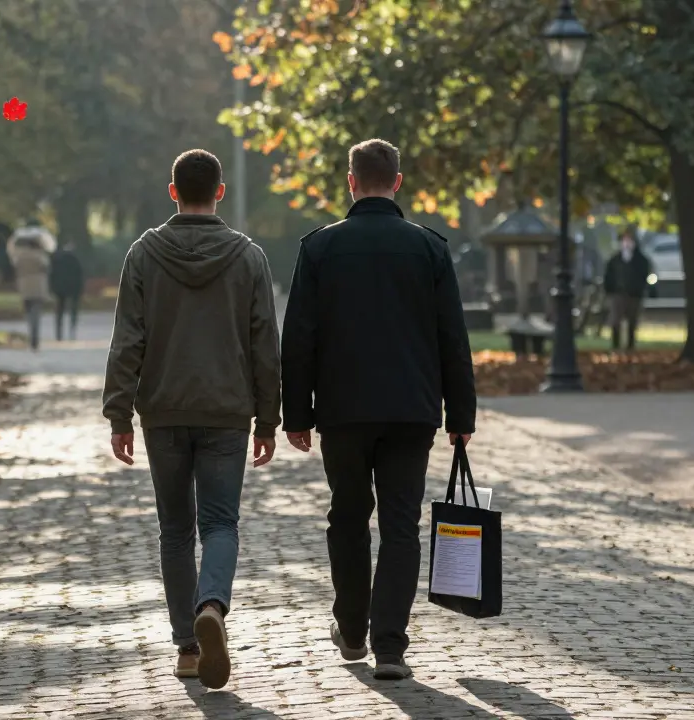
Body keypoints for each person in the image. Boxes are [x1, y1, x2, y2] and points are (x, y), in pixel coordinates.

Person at [280, 139, 476, 681]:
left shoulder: (320, 249)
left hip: (343, 408)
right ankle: (390, 646)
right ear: (397, 181)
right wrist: (461, 415)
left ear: (350, 182)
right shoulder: (430, 249)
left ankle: (350, 626)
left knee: (346, 516)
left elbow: (300, 337)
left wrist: (294, 412)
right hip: (411, 409)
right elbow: (451, 339)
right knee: (400, 525)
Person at [103, 149, 280, 690]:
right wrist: (269, 419)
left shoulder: (143, 254)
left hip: (164, 411)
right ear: (220, 192)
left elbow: (128, 337)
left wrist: (119, 413)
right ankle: (212, 606)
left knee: (175, 530)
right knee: (221, 523)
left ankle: (186, 647)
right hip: (227, 412)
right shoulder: (248, 258)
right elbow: (264, 347)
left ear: (173, 190)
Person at [7, 219, 56, 351]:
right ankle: (35, 338)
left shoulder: (19, 255)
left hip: (24, 285)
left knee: (29, 312)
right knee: (36, 313)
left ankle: (32, 335)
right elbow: (47, 267)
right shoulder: (40, 255)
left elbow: (15, 266)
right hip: (38, 286)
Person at [603, 228, 653, 351]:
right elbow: (608, 276)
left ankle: (630, 345)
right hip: (617, 294)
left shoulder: (640, 260)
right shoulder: (614, 260)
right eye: (624, 240)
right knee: (615, 320)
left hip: (634, 294)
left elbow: (644, 274)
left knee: (632, 321)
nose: (626, 243)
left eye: (629, 240)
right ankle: (615, 345)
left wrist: (640, 288)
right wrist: (610, 290)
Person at [48, 242, 85, 341]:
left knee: (59, 311)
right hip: (73, 287)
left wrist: (52, 288)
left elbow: (52, 274)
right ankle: (72, 330)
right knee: (73, 310)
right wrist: (80, 289)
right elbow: (80, 274)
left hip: (60, 288)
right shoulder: (76, 259)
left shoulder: (57, 258)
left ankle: (59, 333)